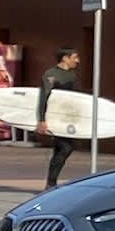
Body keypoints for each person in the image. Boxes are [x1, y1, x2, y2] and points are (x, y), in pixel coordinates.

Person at [39, 48, 82, 189]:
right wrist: (42, 119)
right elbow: (44, 97)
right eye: (75, 57)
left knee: (61, 149)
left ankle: (50, 183)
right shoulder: (51, 74)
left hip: (66, 117)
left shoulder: (72, 75)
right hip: (53, 117)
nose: (77, 60)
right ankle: (51, 183)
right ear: (65, 58)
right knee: (65, 148)